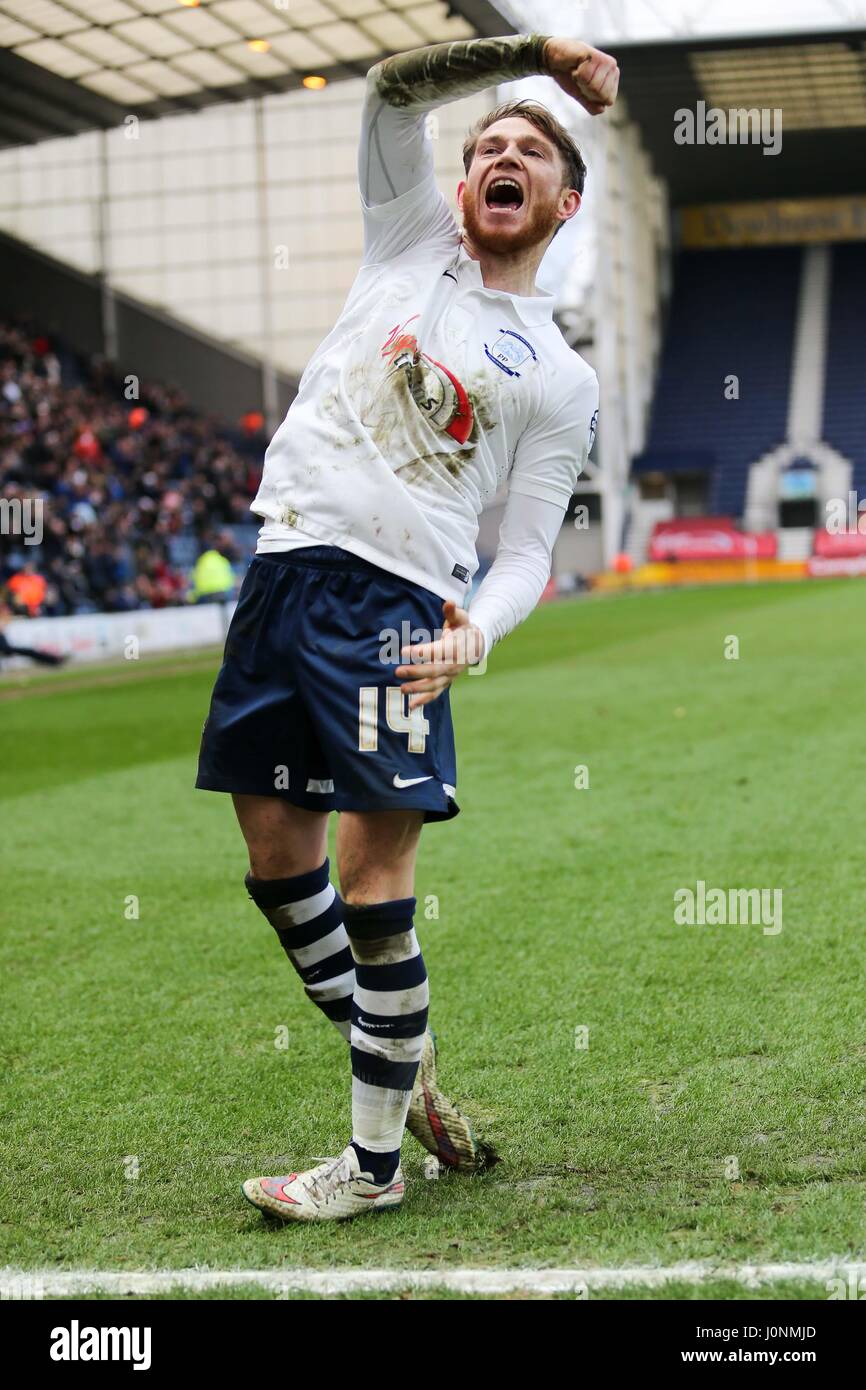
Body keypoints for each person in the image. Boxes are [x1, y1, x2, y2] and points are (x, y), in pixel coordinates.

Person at [196, 32, 618, 1223]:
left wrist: (475, 632)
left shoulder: (556, 373)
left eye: (528, 149)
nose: (499, 153)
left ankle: (371, 1166)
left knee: (372, 876)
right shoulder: (406, 239)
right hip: (281, 574)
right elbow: (390, 89)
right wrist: (528, 55)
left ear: (561, 201)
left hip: (393, 613)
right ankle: (405, 1062)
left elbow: (528, 551)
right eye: (484, 143)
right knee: (277, 861)